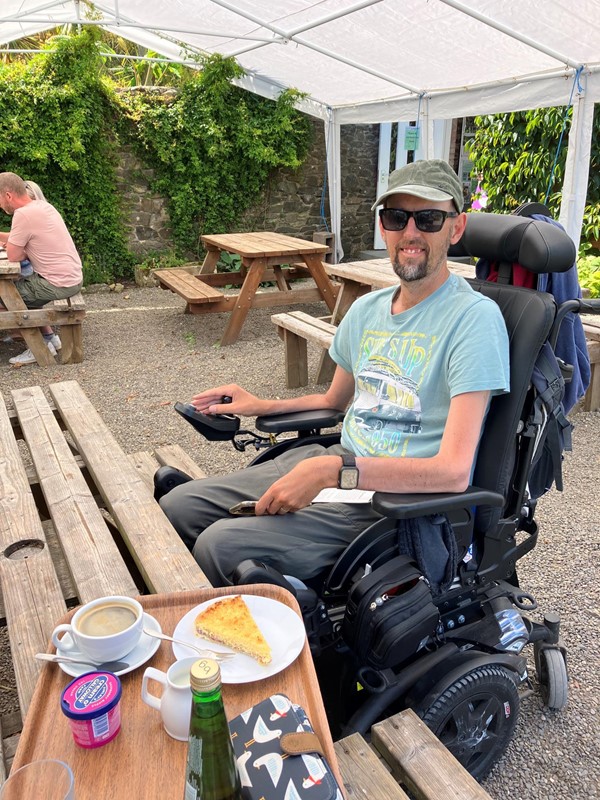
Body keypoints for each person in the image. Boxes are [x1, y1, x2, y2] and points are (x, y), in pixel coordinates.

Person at [159, 159, 510, 593]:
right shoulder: (367, 310)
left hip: (394, 504)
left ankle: (276, 641)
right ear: (383, 227)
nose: (411, 232)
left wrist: (334, 473)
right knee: (177, 506)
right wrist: (259, 405)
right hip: (336, 462)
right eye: (397, 217)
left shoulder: (474, 319)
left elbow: (453, 472)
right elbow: (332, 402)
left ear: (456, 229)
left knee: (219, 546)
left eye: (429, 218)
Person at [0, 172, 83, 365]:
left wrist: (17, 247)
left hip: (58, 283)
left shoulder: (22, 215)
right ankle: (49, 337)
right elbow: (17, 243)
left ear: (8, 195)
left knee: (9, 296)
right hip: (70, 278)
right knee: (22, 285)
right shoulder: (42, 206)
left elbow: (14, 256)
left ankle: (40, 345)